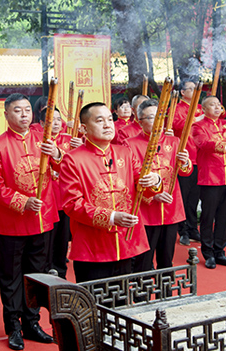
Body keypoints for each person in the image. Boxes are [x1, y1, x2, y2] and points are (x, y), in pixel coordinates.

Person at [0, 94, 61, 351]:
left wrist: (58, 154)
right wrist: (22, 201)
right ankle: (13, 326)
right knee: (11, 277)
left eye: (27, 110)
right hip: (12, 224)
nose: (24, 115)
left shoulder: (44, 139)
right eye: (17, 110)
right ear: (6, 115)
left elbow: (64, 168)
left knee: (36, 276)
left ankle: (32, 322)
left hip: (42, 220)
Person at [59, 102, 161, 283]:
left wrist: (154, 181)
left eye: (109, 119)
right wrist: (111, 217)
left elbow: (142, 187)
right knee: (96, 305)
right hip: (93, 248)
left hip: (128, 242)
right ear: (84, 128)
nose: (107, 125)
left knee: (125, 303)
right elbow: (72, 204)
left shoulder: (125, 153)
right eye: (100, 120)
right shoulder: (72, 159)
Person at [126, 98, 191, 271]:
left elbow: (185, 172)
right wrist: (153, 194)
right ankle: (143, 296)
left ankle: (167, 295)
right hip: (146, 212)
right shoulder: (130, 145)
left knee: (167, 259)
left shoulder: (174, 142)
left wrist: (185, 163)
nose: (158, 121)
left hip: (171, 208)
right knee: (144, 262)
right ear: (140, 122)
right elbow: (131, 179)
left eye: (160, 116)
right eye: (151, 117)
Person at [192, 96, 226, 269]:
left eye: (218, 105)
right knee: (208, 216)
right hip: (210, 178)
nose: (216, 107)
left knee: (224, 216)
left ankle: (220, 251)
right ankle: (208, 253)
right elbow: (205, 144)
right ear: (204, 109)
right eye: (211, 105)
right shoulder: (197, 126)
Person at [35, 105, 82, 278]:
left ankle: (60, 271)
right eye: (50, 120)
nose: (55, 123)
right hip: (46, 198)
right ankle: (45, 269)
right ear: (41, 123)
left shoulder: (71, 139)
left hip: (64, 196)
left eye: (57, 119)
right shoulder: (36, 141)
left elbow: (79, 164)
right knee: (46, 238)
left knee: (62, 238)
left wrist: (80, 145)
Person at [172, 81, 204, 245]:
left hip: (201, 158)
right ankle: (183, 230)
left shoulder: (200, 107)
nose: (194, 91)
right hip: (186, 158)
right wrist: (195, 118)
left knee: (194, 197)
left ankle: (193, 228)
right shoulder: (177, 108)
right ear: (183, 92)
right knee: (183, 197)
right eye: (191, 89)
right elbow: (176, 124)